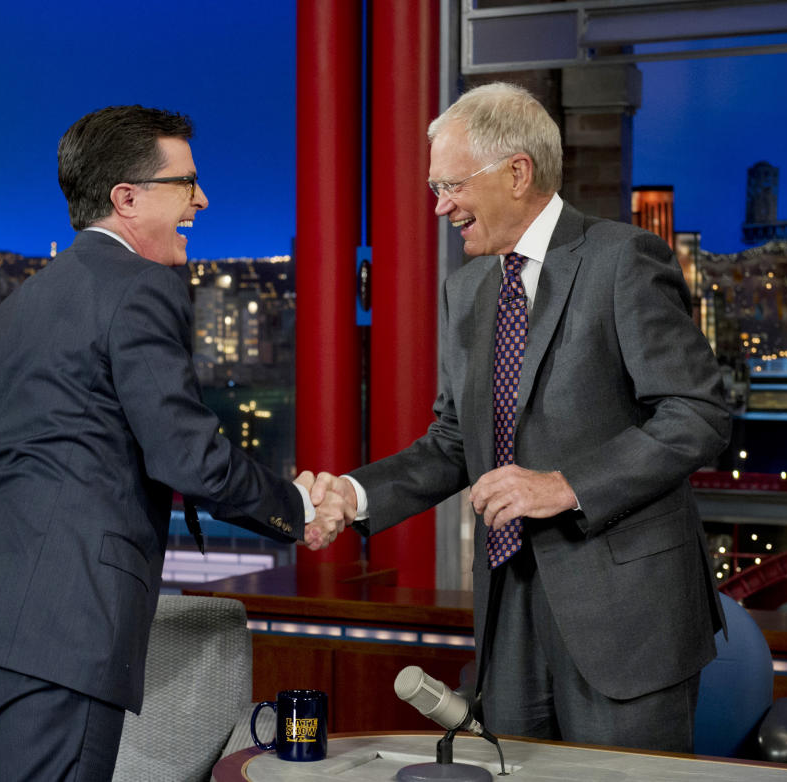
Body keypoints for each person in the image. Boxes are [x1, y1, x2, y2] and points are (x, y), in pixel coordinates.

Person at [0, 105, 351, 781]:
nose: (201, 200)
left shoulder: (20, 303)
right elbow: (185, 455)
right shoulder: (141, 288)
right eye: (186, 184)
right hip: (59, 628)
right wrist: (294, 506)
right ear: (127, 198)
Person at [310, 82, 730, 752]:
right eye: (432, 188)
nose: (440, 205)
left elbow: (698, 413)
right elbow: (453, 442)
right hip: (509, 616)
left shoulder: (621, 259)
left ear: (517, 171)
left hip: (626, 617)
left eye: (450, 185)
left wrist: (565, 485)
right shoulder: (467, 289)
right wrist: (353, 496)